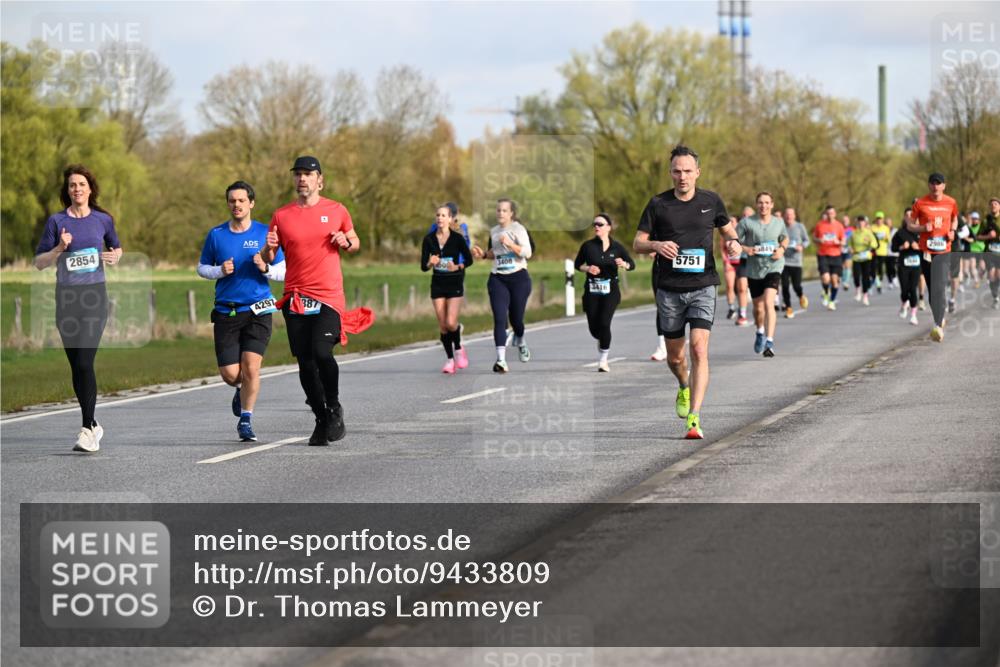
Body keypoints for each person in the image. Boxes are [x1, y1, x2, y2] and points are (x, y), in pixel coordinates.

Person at [260, 155, 372, 445]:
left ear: (320, 180)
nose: (302, 179)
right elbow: (268, 257)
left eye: (308, 174)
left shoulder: (336, 210)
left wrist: (345, 242)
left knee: (323, 353)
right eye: (298, 174)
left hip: (328, 297)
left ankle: (334, 407)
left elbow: (354, 241)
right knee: (306, 362)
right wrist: (267, 250)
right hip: (296, 297)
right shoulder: (281, 215)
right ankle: (321, 418)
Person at [633, 145, 741, 440]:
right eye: (677, 171)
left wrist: (734, 243)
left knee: (699, 348)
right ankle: (683, 385)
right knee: (676, 358)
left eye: (688, 171)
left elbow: (729, 231)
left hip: (704, 285)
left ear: (698, 172)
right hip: (669, 289)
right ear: (671, 173)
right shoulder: (658, 204)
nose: (682, 177)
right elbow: (637, 242)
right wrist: (656, 245)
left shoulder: (711, 201)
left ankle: (694, 417)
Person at [34, 165, 123, 453]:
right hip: (67, 299)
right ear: (67, 190)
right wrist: (60, 246)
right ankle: (93, 424)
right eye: (72, 185)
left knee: (85, 362)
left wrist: (114, 256)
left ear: (90, 188)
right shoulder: (56, 221)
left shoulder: (103, 220)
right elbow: (40, 262)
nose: (77, 189)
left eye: (81, 184)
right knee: (76, 366)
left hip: (95, 297)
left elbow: (117, 248)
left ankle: (87, 430)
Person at [197, 181, 285, 442]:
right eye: (232, 201)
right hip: (227, 311)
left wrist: (266, 269)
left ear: (251, 203)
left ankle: (246, 420)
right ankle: (239, 388)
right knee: (231, 375)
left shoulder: (265, 233)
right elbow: (201, 268)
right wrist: (219, 271)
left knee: (251, 369)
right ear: (228, 204)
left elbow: (284, 272)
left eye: (241, 200)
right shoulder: (216, 235)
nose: (236, 205)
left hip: (259, 309)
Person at [471, 198, 532, 373]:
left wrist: (511, 244)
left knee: (517, 320)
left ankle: (520, 339)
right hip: (498, 278)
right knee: (499, 318)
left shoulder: (518, 229)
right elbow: (495, 253)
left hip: (519, 278)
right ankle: (501, 360)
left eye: (504, 211)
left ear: (511, 213)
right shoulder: (494, 231)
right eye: (498, 210)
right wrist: (483, 254)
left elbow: (527, 252)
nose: (500, 213)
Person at [575, 213, 636, 371]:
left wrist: (624, 263)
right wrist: (588, 268)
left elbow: (632, 264)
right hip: (592, 291)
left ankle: (603, 360)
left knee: (604, 323)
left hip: (611, 291)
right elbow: (577, 264)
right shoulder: (588, 246)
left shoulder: (617, 247)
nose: (596, 227)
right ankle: (601, 339)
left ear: (608, 227)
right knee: (595, 329)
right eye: (594, 224)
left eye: (600, 224)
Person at [421, 202, 473, 373]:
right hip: (437, 284)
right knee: (443, 325)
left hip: (454, 282)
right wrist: (430, 262)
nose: (440, 218)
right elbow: (423, 266)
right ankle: (450, 360)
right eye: (438, 215)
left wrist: (457, 267)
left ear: (451, 219)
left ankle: (458, 348)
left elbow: (469, 260)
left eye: (443, 215)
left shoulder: (458, 238)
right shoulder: (428, 239)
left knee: (451, 323)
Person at [907, 172, 958, 342]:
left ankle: (937, 325)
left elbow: (955, 219)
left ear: (944, 185)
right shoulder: (920, 203)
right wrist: (923, 228)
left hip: (944, 251)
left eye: (939, 183)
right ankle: (939, 316)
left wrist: (953, 231)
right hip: (927, 252)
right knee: (932, 288)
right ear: (929, 185)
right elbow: (910, 225)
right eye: (933, 183)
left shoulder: (951, 202)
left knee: (940, 286)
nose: (936, 186)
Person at [737, 192, 788, 357]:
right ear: (756, 204)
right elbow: (734, 241)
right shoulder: (746, 223)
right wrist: (746, 249)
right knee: (758, 309)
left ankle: (769, 341)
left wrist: (781, 249)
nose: (763, 206)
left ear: (772, 205)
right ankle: (759, 330)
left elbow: (784, 238)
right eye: (760, 203)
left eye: (767, 203)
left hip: (773, 267)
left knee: (768, 302)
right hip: (754, 269)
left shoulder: (778, 222)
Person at [813, 205, 845, 310]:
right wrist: (819, 240)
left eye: (832, 213)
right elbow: (814, 238)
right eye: (828, 213)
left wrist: (838, 242)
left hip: (836, 255)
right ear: (825, 214)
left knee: (835, 280)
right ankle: (826, 292)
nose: (830, 215)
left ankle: (831, 301)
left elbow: (844, 241)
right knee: (826, 278)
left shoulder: (839, 226)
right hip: (823, 254)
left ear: (835, 214)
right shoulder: (820, 225)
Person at [891, 217, 922, 325]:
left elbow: (928, 246)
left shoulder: (921, 233)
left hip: (916, 265)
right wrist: (901, 247)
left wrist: (918, 247)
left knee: (913, 289)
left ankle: (913, 315)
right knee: (904, 290)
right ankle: (905, 303)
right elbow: (893, 248)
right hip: (903, 265)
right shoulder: (900, 233)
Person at [780, 207, 809, 319]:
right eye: (787, 214)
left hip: (796, 262)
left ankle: (801, 295)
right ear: (784, 216)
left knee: (797, 285)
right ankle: (788, 308)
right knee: (785, 286)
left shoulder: (800, 226)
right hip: (784, 262)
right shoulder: (781, 227)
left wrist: (802, 246)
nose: (789, 217)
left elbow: (807, 240)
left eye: (791, 214)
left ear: (794, 216)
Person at [849, 215, 878, 306]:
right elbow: (849, 244)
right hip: (857, 257)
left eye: (862, 222)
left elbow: (875, 243)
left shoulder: (868, 233)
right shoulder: (854, 233)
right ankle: (858, 289)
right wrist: (850, 248)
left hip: (866, 257)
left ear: (865, 223)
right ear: (857, 223)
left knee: (865, 277)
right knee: (856, 275)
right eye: (859, 222)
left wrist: (870, 244)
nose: (861, 224)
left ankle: (865, 295)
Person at [733, 206, 754, 326]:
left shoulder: (759, 226)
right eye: (744, 215)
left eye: (749, 215)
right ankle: (742, 314)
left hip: (757, 262)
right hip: (743, 260)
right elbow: (735, 241)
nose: (746, 218)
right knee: (741, 288)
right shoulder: (739, 227)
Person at [979, 197, 1000, 308]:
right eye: (991, 204)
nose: (993, 206)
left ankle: (997, 291)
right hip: (989, 252)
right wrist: (987, 236)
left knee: (998, 275)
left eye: (996, 204)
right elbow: (977, 236)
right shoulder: (985, 221)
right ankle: (995, 297)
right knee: (991, 274)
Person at [720, 215, 742, 321]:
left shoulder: (742, 232)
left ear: (737, 222)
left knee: (740, 288)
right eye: (729, 221)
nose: (731, 223)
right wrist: (726, 262)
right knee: (729, 286)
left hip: (741, 263)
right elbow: (722, 250)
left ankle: (741, 309)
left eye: (733, 221)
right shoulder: (725, 234)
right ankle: (731, 308)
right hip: (730, 263)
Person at [870, 211, 894, 293]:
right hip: (874, 251)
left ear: (883, 219)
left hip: (883, 251)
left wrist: (885, 237)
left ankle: (879, 282)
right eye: (877, 219)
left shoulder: (886, 228)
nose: (879, 220)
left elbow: (889, 239)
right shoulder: (872, 227)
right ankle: (876, 282)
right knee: (873, 268)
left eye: (880, 219)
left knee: (880, 269)